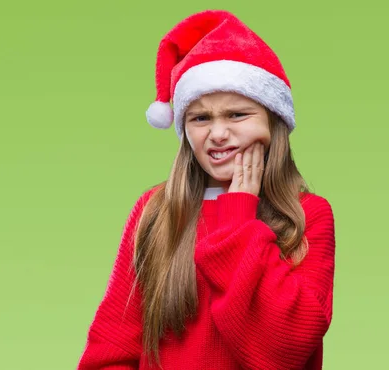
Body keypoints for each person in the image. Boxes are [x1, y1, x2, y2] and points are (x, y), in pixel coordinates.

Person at [77, 9, 336, 370]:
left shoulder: (308, 215)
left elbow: (284, 352)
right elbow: (110, 350)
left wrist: (238, 217)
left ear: (273, 124)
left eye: (237, 115)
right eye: (200, 118)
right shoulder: (155, 210)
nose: (217, 134)